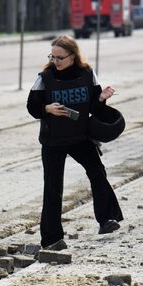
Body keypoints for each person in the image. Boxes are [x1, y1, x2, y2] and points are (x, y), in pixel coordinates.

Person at [27, 34, 123, 250]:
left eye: (60, 57)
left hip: (80, 136)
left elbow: (94, 109)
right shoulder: (45, 77)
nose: (55, 61)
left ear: (73, 56)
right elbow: (32, 107)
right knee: (53, 188)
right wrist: (46, 109)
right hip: (53, 140)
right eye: (52, 56)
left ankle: (107, 219)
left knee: (98, 173)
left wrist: (101, 99)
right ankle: (52, 239)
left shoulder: (87, 74)